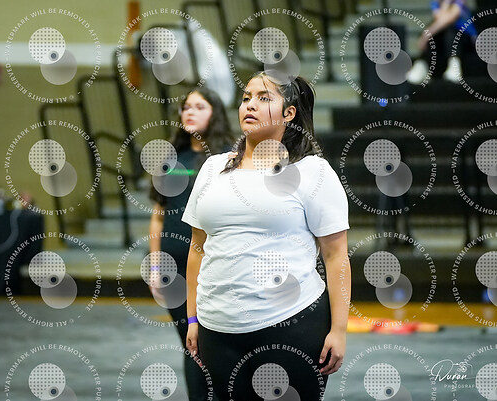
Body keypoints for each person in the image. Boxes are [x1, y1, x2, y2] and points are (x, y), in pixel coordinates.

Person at [182, 72, 351, 400]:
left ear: (289, 113)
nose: (250, 105)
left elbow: (336, 257)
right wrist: (192, 317)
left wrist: (339, 330)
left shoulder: (312, 172)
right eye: (246, 98)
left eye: (264, 98)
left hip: (291, 325)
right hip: (217, 330)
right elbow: (197, 249)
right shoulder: (212, 168)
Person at [148, 87, 233, 401]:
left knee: (214, 343)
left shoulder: (229, 156)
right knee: (190, 342)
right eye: (186, 107)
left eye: (199, 106)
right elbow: (158, 215)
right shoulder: (172, 157)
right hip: (174, 266)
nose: (190, 112)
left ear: (215, 113)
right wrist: (155, 264)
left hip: (212, 266)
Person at [407, 0, 477, 83]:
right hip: (444, 41)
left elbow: (451, 18)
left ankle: (454, 65)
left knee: (449, 30)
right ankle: (422, 65)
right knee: (436, 33)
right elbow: (440, 19)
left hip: (465, 38)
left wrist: (425, 36)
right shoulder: (435, 2)